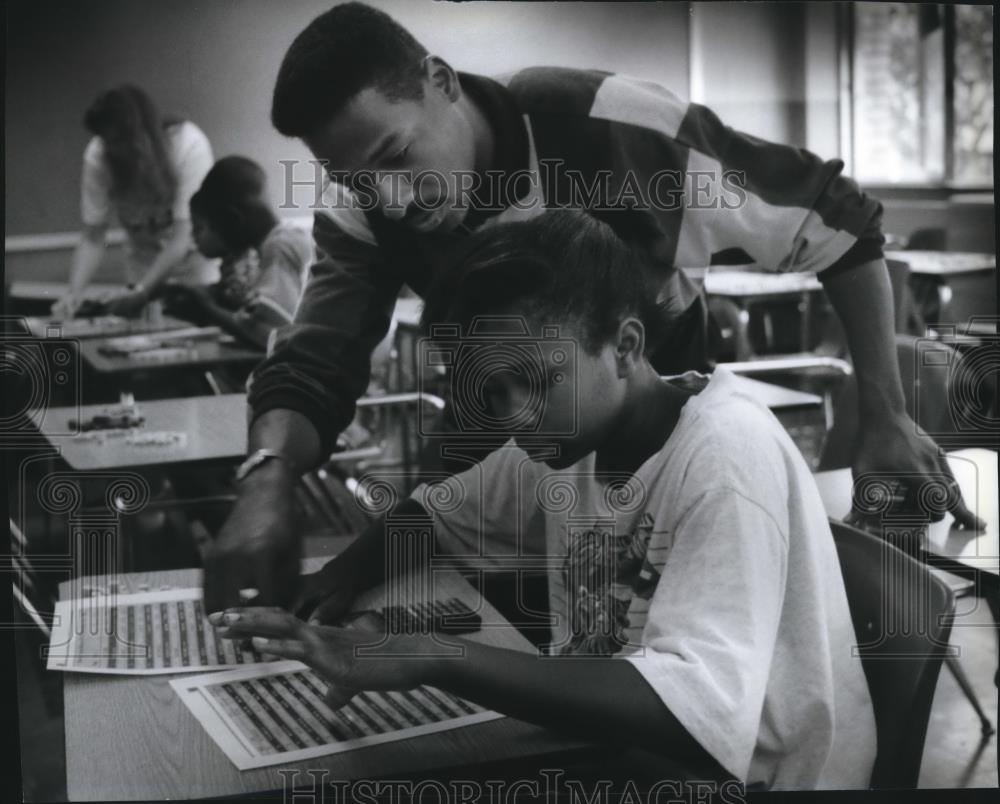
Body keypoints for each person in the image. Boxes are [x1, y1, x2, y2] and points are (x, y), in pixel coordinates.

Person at [203, 1, 981, 614]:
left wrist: (883, 413)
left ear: (440, 82)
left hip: (649, 438)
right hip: (489, 428)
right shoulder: (364, 201)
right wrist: (267, 479)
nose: (390, 200)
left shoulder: (613, 132)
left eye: (396, 159)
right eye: (355, 179)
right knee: (458, 613)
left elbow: (835, 221)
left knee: (636, 625)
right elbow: (318, 357)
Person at [212, 210, 878, 790]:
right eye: (493, 393)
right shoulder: (572, 437)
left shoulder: (722, 457)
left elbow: (692, 711)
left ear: (624, 347)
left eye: (531, 383)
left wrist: (436, 655)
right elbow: (431, 516)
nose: (514, 416)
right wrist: (329, 585)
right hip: (616, 754)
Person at [52, 85, 216, 319]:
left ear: (143, 132)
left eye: (119, 140)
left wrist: (141, 292)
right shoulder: (99, 155)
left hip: (193, 270)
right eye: (107, 141)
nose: (114, 149)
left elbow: (181, 238)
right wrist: (73, 293)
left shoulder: (188, 144)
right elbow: (93, 235)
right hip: (142, 268)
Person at [162, 155, 314, 349]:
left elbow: (267, 333)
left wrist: (206, 309)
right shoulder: (285, 239)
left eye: (216, 227)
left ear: (234, 219)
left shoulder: (280, 246)